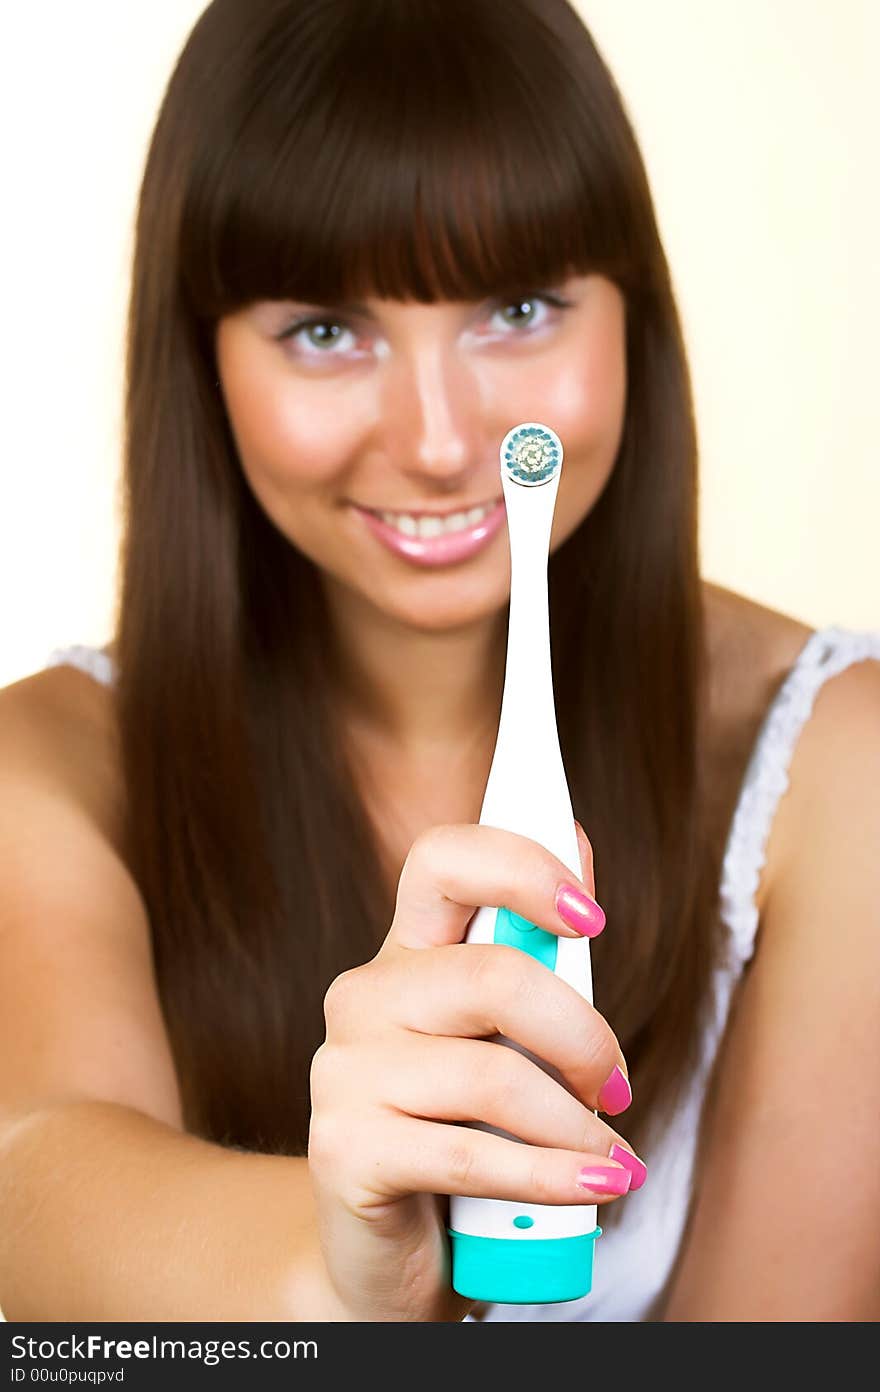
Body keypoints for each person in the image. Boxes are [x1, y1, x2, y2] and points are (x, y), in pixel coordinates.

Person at [0, 0, 877, 1324]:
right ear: (204, 356)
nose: (437, 438)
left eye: (517, 305)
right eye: (324, 330)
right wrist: (343, 1262)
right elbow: (37, 1192)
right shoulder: (48, 773)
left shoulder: (838, 762)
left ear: (635, 312)